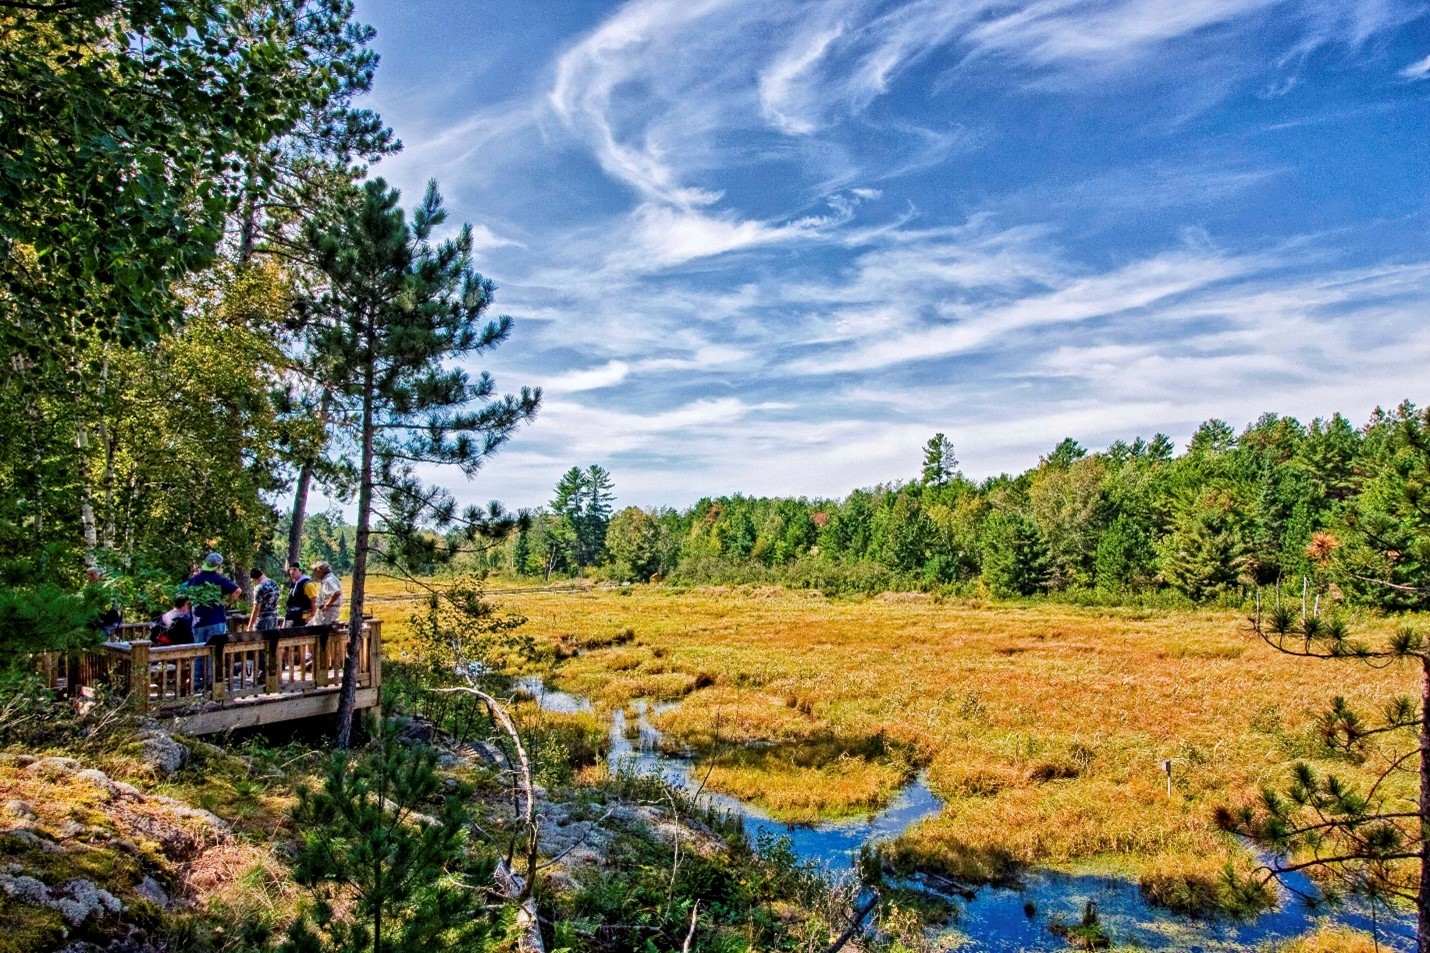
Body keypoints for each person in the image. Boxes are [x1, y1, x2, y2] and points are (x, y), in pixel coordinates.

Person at [181, 552, 240, 687]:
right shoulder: (219, 579)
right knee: (215, 652)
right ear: (218, 566)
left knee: (198, 652)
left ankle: (195, 683)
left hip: (198, 621)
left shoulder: (194, 580)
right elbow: (237, 590)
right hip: (216, 620)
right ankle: (212, 682)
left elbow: (185, 596)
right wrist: (226, 603)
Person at [86, 565, 123, 637]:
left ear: (98, 575)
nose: (89, 577)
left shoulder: (108, 586)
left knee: (102, 637)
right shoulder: (88, 589)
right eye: (87, 575)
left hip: (110, 621)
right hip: (95, 622)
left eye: (92, 574)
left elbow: (116, 605)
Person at [285, 562, 317, 627]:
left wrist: (313, 616)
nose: (292, 572)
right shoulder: (294, 583)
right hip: (293, 616)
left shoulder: (307, 584)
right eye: (290, 569)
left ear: (301, 570)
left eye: (294, 569)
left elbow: (314, 600)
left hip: (303, 617)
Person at [247, 567, 280, 631]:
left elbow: (256, 608)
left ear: (255, 578)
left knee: (261, 641)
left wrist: (250, 626)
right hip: (274, 619)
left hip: (263, 621)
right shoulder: (274, 584)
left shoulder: (259, 588)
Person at [312, 561, 343, 627]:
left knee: (323, 632)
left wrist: (328, 604)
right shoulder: (328, 578)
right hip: (325, 611)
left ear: (320, 570)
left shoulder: (329, 580)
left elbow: (337, 592)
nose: (315, 573)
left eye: (315, 570)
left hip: (329, 611)